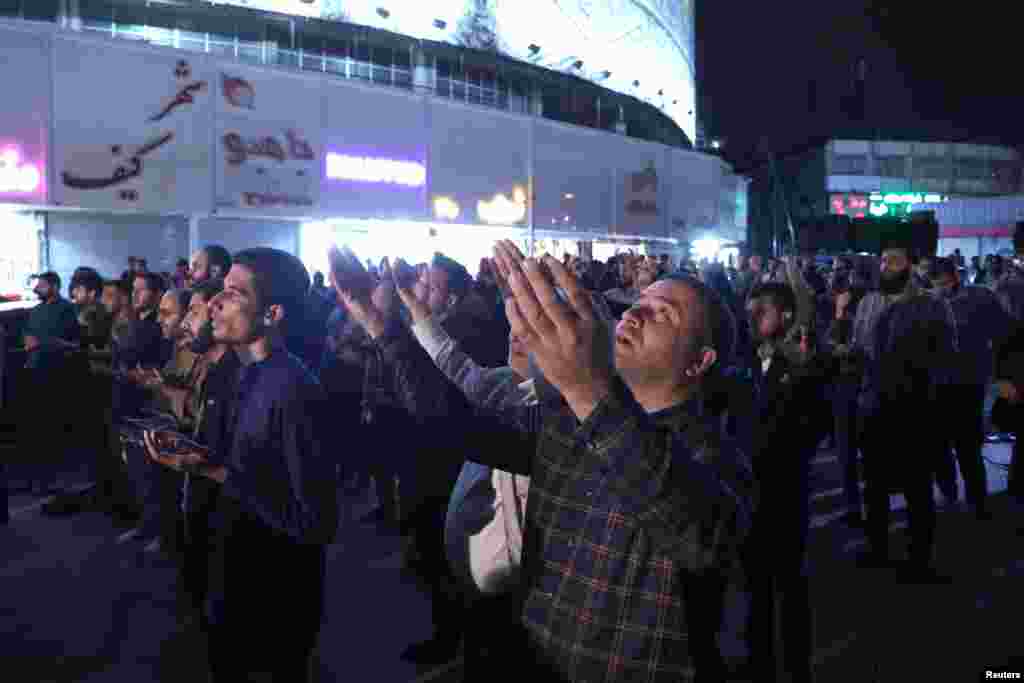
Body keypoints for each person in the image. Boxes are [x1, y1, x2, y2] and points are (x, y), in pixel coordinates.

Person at [330, 240, 755, 681]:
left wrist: (590, 390)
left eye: (662, 314)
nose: (633, 315)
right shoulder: (567, 420)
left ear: (699, 361)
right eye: (638, 303)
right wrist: (382, 329)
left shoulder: (720, 457)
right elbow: (455, 421)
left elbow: (695, 534)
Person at [144, 247, 337, 681]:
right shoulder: (244, 373)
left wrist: (213, 471)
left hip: (274, 595)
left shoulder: (292, 390)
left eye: (233, 293)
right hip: (234, 573)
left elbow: (316, 522)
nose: (213, 302)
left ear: (272, 313)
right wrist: (199, 459)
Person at [848, 244, 958, 581]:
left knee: (917, 487)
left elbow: (946, 354)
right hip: (875, 405)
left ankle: (920, 559)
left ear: (909, 265)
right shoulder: (869, 302)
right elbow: (857, 348)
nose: (886, 266)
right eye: (882, 260)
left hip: (915, 408)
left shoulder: (931, 304)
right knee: (876, 484)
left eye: (893, 260)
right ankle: (877, 547)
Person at [928, 257, 1010, 519]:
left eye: (943, 279)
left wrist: (997, 372)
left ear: (954, 276)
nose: (940, 285)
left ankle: (978, 501)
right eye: (935, 281)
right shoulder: (928, 303)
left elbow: (1003, 331)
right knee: (939, 446)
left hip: (969, 383)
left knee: (968, 446)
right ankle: (950, 491)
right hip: (937, 384)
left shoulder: (980, 297)